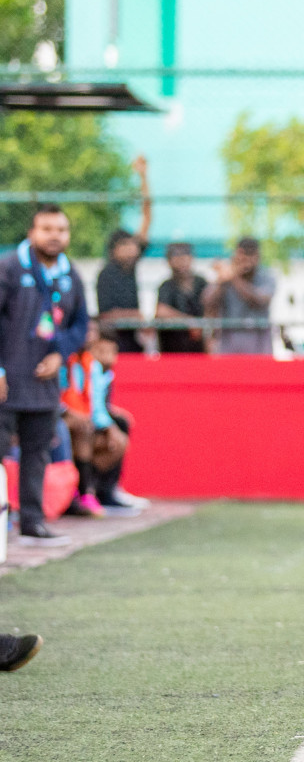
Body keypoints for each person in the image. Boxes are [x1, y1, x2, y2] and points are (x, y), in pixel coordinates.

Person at [0, 204, 90, 545]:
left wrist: (59, 352)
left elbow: (81, 324)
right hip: (6, 382)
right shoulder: (9, 269)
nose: (55, 236)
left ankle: (32, 523)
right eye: (47, 229)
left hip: (44, 385)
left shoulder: (70, 275)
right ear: (31, 233)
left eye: (61, 230)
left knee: (37, 454)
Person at [61, 328, 143, 517]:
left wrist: (110, 426)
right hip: (63, 418)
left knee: (118, 430)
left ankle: (97, 490)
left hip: (84, 420)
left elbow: (96, 404)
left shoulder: (92, 366)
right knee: (85, 428)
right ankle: (82, 492)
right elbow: (60, 397)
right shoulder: (64, 360)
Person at [94, 156, 153, 354]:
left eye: (132, 244)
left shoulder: (132, 267)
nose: (131, 249)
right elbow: (107, 316)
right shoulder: (106, 274)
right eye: (124, 245)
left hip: (135, 343)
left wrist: (143, 177)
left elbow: (147, 217)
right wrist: (136, 316)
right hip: (114, 345)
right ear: (113, 250)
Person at [203, 237, 276, 356]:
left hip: (259, 351)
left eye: (251, 255)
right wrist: (222, 281)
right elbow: (207, 302)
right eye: (243, 255)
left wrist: (233, 277)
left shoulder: (267, 277)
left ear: (258, 257)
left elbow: (260, 300)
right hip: (227, 351)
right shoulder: (224, 278)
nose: (246, 260)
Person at [155, 242, 208, 353]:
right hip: (172, 350)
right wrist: (189, 322)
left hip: (199, 349)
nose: (181, 261)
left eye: (185, 256)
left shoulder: (201, 283)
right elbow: (161, 311)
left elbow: (211, 307)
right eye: (176, 257)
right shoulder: (166, 286)